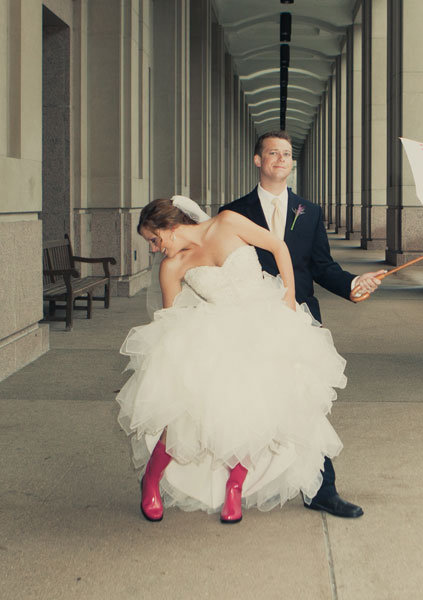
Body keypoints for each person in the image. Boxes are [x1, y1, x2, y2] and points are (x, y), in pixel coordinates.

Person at [116, 195, 348, 524]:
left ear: (169, 227)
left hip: (266, 323)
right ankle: (151, 480)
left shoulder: (227, 222)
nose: (153, 248)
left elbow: (279, 247)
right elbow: (168, 318)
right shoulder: (173, 266)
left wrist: (290, 298)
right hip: (217, 333)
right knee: (185, 411)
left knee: (252, 410)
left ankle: (234, 488)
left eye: (153, 240)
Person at [220, 130, 385, 518]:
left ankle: (321, 490)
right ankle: (236, 485)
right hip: (253, 321)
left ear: (293, 163)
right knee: (248, 402)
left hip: (301, 320)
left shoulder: (308, 212)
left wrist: (352, 285)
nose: (281, 159)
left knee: (309, 405)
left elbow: (322, 266)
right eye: (272, 153)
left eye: (287, 154)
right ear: (257, 161)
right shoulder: (235, 212)